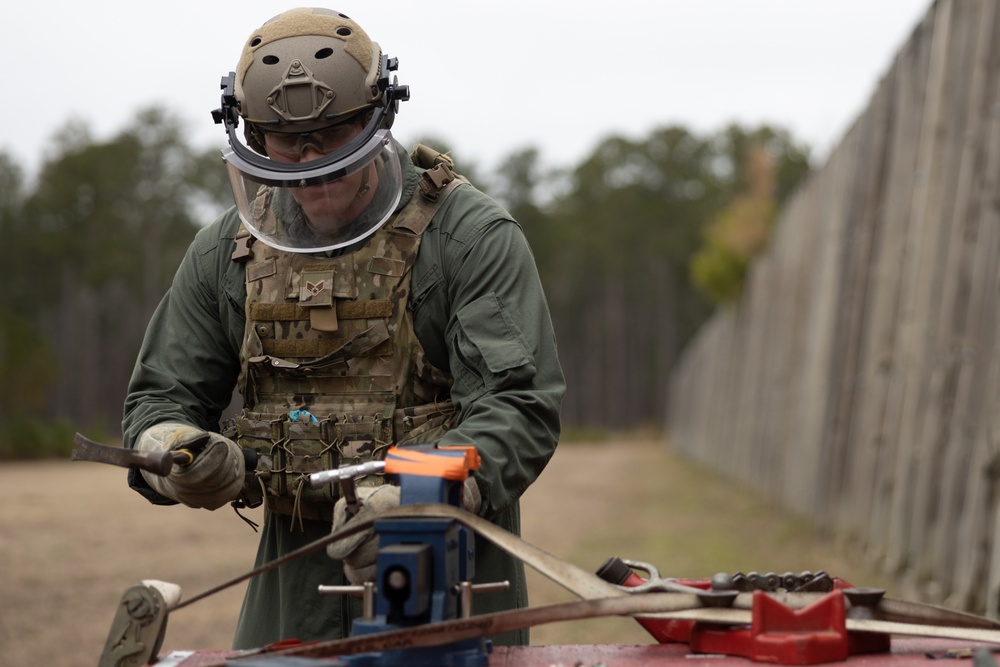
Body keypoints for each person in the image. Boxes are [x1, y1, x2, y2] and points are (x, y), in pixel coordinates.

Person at [121, 6, 564, 649]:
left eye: (333, 139)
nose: (310, 165)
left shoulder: (465, 238)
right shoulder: (227, 251)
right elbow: (159, 397)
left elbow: (519, 406)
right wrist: (176, 454)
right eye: (284, 144)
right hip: (290, 586)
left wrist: (420, 499)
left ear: (377, 120)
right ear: (249, 134)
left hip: (445, 578)